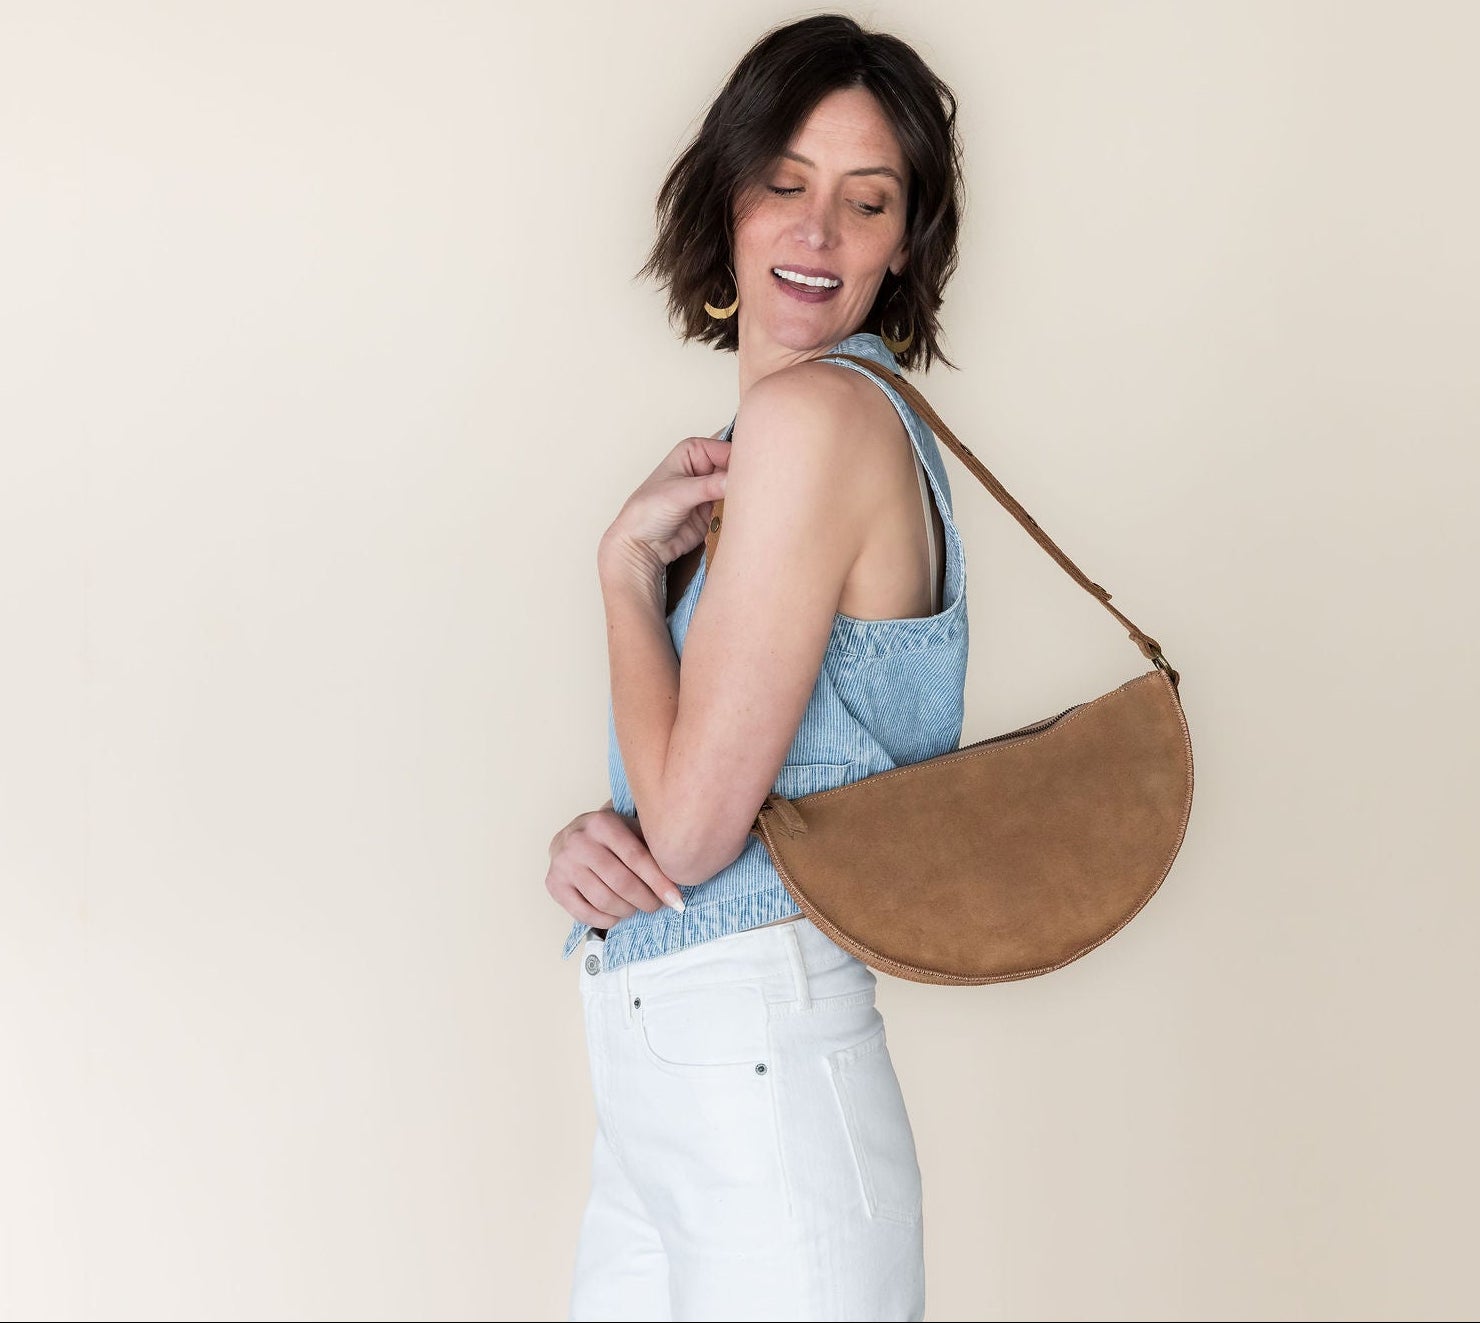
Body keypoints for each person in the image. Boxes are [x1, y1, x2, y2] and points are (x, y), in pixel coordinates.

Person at [542, 14, 966, 1321]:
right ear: (725, 193)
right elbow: (685, 810)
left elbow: (694, 823)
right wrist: (595, 857)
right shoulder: (783, 431)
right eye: (784, 181)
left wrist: (621, 572)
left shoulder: (818, 417)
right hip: (687, 1062)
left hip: (754, 1065)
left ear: (903, 244)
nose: (817, 233)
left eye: (865, 200)